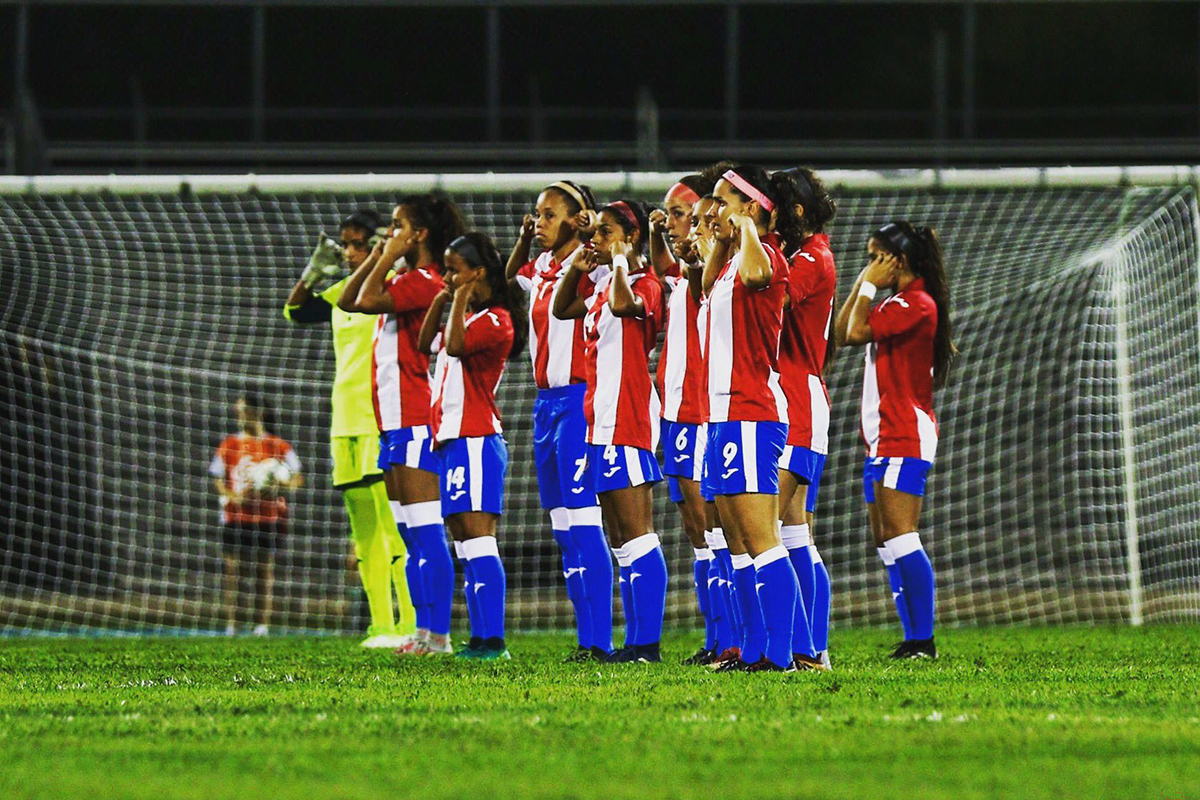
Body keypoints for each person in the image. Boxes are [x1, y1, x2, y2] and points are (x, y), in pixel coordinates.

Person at [340, 193, 467, 655]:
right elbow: (348, 297)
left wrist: (385, 257)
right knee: (410, 535)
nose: (391, 234)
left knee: (425, 530)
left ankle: (438, 634)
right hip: (392, 422)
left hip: (414, 419)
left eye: (398, 226)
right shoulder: (408, 277)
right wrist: (382, 256)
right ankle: (423, 631)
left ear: (420, 235)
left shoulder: (424, 281)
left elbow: (360, 300)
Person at [283, 209, 415, 649]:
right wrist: (312, 272)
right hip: (345, 422)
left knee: (395, 530)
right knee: (363, 537)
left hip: (382, 418)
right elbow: (295, 312)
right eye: (345, 244)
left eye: (357, 243)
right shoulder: (343, 292)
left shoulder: (395, 290)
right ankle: (380, 627)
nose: (348, 252)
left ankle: (410, 626)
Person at [834, 221, 956, 660]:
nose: (869, 266)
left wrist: (867, 285)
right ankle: (912, 637)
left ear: (897, 261)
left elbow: (855, 332)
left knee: (902, 535)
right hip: (882, 437)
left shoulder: (917, 303)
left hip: (904, 434)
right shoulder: (896, 300)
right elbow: (843, 329)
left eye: (875, 257)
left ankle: (923, 640)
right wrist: (865, 284)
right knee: (886, 538)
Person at [701, 165, 806, 672]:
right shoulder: (727, 264)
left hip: (751, 412)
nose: (712, 211)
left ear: (751, 208)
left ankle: (781, 655)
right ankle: (754, 648)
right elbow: (708, 286)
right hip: (722, 414)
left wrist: (746, 226)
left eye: (723, 201)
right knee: (735, 541)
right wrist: (726, 233)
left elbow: (759, 276)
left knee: (760, 536)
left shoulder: (769, 258)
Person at [506, 181, 614, 661]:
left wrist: (594, 234)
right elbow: (510, 277)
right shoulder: (542, 267)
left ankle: (603, 640)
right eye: (537, 215)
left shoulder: (591, 266)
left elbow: (617, 264)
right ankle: (585, 638)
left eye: (549, 215)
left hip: (578, 401)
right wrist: (524, 239)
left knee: (585, 521)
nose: (539, 223)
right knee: (563, 527)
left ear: (577, 218)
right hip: (544, 406)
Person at [554, 200, 666, 663]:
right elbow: (562, 309)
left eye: (605, 232)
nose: (594, 241)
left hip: (629, 417)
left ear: (632, 236)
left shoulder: (647, 285)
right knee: (619, 535)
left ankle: (647, 644)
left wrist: (618, 259)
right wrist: (581, 263)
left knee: (638, 532)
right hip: (600, 420)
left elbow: (626, 306)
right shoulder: (600, 285)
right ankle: (633, 641)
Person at [419, 232, 524, 661]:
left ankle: (492, 640)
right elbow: (428, 342)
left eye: (454, 269)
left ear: (477, 272)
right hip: (451, 441)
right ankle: (480, 637)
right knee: (464, 541)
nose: (447, 276)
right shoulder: (465, 317)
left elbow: (457, 347)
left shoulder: (496, 319)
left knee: (479, 541)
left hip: (475, 440)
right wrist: (445, 299)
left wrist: (459, 298)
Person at [647, 175, 723, 664]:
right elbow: (664, 267)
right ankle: (717, 637)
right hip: (674, 413)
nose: (670, 221)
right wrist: (658, 235)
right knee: (698, 537)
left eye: (680, 214)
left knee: (714, 532)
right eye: (669, 212)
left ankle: (734, 637)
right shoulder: (682, 274)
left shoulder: (712, 273)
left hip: (699, 413)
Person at [773, 167, 838, 670]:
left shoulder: (814, 258)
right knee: (792, 529)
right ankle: (810, 649)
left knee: (770, 525)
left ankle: (810, 646)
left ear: (794, 211)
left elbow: (774, 295)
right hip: (788, 397)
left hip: (797, 401)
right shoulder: (801, 253)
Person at [209, 394, 302, 636]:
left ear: (257, 412)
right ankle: (233, 624)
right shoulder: (229, 444)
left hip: (268, 517)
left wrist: (280, 487)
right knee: (233, 571)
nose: (240, 416)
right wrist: (233, 496)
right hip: (236, 516)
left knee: (264, 571)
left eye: (244, 411)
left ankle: (261, 625)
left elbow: (297, 477)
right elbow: (217, 479)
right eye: (238, 411)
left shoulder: (278, 445)